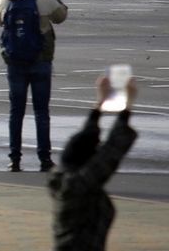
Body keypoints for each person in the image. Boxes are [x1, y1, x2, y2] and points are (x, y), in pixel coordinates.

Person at [0, 0, 69, 172]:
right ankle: (45, 159)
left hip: (14, 61)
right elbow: (60, 16)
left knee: (16, 111)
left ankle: (14, 158)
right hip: (40, 59)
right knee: (42, 112)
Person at [48, 77, 139, 251]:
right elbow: (112, 150)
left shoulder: (62, 179)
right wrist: (127, 107)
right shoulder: (76, 187)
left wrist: (99, 105)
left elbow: (85, 139)